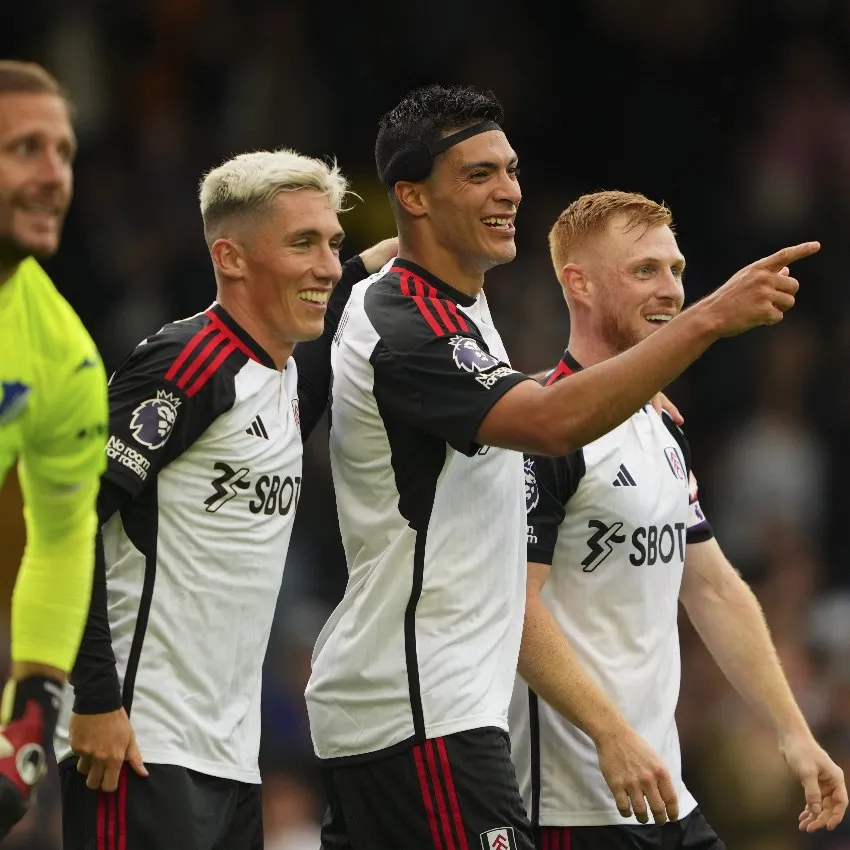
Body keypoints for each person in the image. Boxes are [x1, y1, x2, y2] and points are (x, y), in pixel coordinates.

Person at [304, 82, 819, 850]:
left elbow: (712, 586)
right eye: (479, 174)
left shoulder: (456, 307)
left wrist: (793, 731)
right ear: (412, 196)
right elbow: (547, 426)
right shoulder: (415, 326)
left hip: (484, 725)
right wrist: (712, 318)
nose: (509, 190)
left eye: (511, 170)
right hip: (432, 714)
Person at [53, 147, 397, 850]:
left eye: (333, 243)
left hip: (233, 759)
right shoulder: (188, 363)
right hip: (139, 743)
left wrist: (417, 242)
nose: (328, 266)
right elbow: (69, 521)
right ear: (231, 258)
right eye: (302, 243)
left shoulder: (283, 379)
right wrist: (96, 699)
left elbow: (344, 291)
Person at [509, 190, 847, 850]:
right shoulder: (542, 429)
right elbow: (513, 608)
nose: (670, 289)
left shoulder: (660, 425)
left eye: (676, 270)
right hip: (568, 808)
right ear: (578, 284)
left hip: (662, 794)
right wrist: (611, 734)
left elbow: (714, 588)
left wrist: (793, 732)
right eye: (644, 270)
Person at [0, 60, 108, 840]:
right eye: (24, 149)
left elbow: (64, 533)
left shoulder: (64, 355)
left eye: (64, 152)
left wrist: (33, 708)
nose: (53, 176)